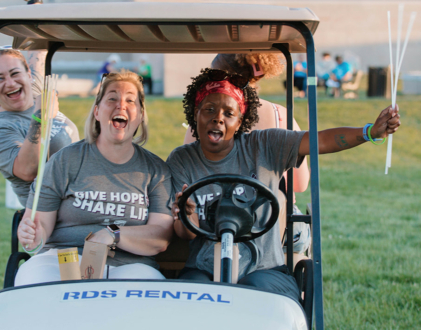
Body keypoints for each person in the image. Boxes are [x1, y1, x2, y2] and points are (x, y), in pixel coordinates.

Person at [169, 67, 400, 300]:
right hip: (203, 268)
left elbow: (320, 140)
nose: (218, 117)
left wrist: (370, 132)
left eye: (229, 113)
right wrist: (186, 214)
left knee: (255, 298)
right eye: (209, 110)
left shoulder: (265, 145)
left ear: (240, 122)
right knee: (192, 302)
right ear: (195, 114)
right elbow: (185, 233)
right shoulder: (182, 160)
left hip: (264, 269)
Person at [16, 70, 174, 286]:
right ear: (97, 112)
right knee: (33, 282)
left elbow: (160, 237)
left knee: (152, 293)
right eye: (112, 99)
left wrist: (113, 234)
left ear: (140, 115)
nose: (121, 105)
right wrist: (32, 234)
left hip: (129, 267)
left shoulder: (156, 171)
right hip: (64, 261)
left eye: (130, 100)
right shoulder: (65, 160)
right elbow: (40, 224)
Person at [184, 53, 310, 253]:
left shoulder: (204, 121)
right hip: (272, 226)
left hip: (216, 220)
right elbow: (300, 184)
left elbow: (190, 174)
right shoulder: (281, 116)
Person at [0, 48, 80, 206]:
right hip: (51, 218)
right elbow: (28, 170)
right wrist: (40, 117)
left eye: (15, 73)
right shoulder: (0, 129)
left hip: (83, 200)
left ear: (28, 74)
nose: (10, 83)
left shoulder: (34, 90)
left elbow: (39, 48)